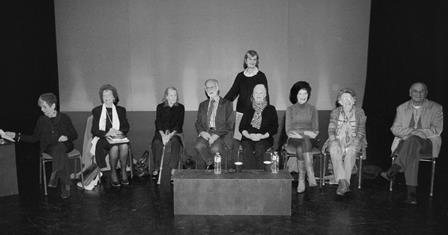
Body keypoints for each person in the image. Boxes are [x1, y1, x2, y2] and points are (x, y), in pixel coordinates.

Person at [5, 93, 78, 199]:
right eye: (41, 107)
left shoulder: (64, 118)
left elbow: (74, 135)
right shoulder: (41, 120)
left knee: (60, 148)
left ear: (53, 106)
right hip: (49, 147)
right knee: (59, 150)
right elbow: (34, 138)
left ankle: (57, 178)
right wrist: (16, 135)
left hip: (66, 145)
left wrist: (66, 137)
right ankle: (63, 183)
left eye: (44, 107)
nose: (42, 110)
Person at [381, 82, 443, 205]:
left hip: (428, 143)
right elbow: (395, 129)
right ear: (410, 93)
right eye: (415, 91)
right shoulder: (401, 108)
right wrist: (412, 133)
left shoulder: (436, 108)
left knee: (413, 141)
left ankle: (396, 169)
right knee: (412, 147)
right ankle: (411, 195)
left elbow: (437, 129)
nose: (418, 94)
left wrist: (417, 134)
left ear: (426, 93)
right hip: (405, 142)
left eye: (422, 91)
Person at [327, 88, 366, 196]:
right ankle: (343, 183)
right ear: (340, 101)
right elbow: (331, 129)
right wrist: (334, 140)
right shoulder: (335, 112)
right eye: (344, 98)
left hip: (355, 139)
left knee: (351, 152)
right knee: (334, 149)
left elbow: (361, 130)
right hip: (337, 138)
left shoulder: (360, 112)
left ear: (354, 100)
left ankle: (343, 183)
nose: (347, 100)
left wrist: (355, 142)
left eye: (349, 98)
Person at [224, 50, 269, 140]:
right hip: (241, 111)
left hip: (256, 111)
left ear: (257, 61)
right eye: (250, 59)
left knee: (252, 139)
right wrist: (221, 103)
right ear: (245, 60)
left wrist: (266, 111)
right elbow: (233, 92)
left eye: (254, 59)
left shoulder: (261, 76)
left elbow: (265, 95)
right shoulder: (240, 76)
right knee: (238, 137)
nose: (252, 62)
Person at [91, 84, 130, 187]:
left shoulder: (121, 110)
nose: (107, 98)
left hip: (118, 137)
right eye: (104, 96)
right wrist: (107, 133)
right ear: (102, 98)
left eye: (109, 95)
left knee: (124, 146)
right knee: (114, 147)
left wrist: (118, 132)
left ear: (114, 97)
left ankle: (123, 171)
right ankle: (113, 172)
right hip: (104, 138)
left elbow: (126, 127)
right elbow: (94, 130)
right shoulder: (97, 111)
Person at [285, 81, 319, 193]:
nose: (303, 96)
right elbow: (288, 131)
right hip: (293, 140)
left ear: (308, 95)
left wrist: (300, 133)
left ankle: (301, 180)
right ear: (295, 95)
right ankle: (310, 173)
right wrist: (306, 133)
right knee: (303, 143)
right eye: (300, 93)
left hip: (310, 140)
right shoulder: (290, 109)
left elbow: (315, 131)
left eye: (305, 93)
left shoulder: (313, 109)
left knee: (302, 146)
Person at [194, 79, 233, 169]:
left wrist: (216, 135)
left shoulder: (227, 104)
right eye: (207, 87)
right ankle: (210, 163)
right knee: (198, 146)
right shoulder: (202, 105)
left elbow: (229, 124)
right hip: (206, 133)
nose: (209, 89)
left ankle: (218, 170)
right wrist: (202, 132)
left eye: (212, 87)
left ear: (217, 88)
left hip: (221, 134)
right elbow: (198, 122)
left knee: (215, 149)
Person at [240, 84, 278, 169]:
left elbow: (274, 128)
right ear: (253, 95)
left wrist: (262, 136)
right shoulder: (248, 108)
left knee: (259, 147)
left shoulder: (271, 109)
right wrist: (249, 136)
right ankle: (251, 175)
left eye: (261, 93)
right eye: (256, 93)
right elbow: (241, 127)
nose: (258, 95)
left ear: (265, 95)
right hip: (248, 137)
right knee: (247, 149)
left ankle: (259, 175)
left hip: (265, 138)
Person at [151, 87, 184, 179]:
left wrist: (169, 135)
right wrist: (162, 135)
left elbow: (179, 124)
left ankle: (173, 169)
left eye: (175, 95)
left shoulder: (180, 107)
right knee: (157, 143)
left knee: (175, 142)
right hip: (161, 132)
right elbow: (158, 122)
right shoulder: (160, 107)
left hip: (174, 133)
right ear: (166, 96)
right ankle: (157, 168)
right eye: (171, 95)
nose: (173, 97)